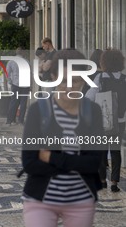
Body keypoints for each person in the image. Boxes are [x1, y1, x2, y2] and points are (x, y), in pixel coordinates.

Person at [22, 49, 103, 227]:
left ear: (84, 80)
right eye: (63, 80)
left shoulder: (93, 112)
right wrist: (75, 164)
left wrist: (51, 157)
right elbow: (29, 163)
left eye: (75, 81)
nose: (69, 87)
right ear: (53, 77)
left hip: (81, 200)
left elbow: (95, 163)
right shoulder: (38, 110)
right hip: (39, 199)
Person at [85, 49, 126, 192]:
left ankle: (102, 180)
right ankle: (114, 183)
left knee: (102, 150)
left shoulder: (101, 78)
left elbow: (90, 96)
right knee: (116, 151)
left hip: (104, 119)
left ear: (104, 62)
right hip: (120, 120)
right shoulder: (124, 78)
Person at [6, 48, 30, 125]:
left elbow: (7, 73)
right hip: (25, 84)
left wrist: (10, 82)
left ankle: (10, 120)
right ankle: (21, 120)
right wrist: (30, 85)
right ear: (23, 53)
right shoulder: (26, 61)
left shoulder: (11, 61)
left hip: (15, 84)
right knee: (23, 103)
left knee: (14, 102)